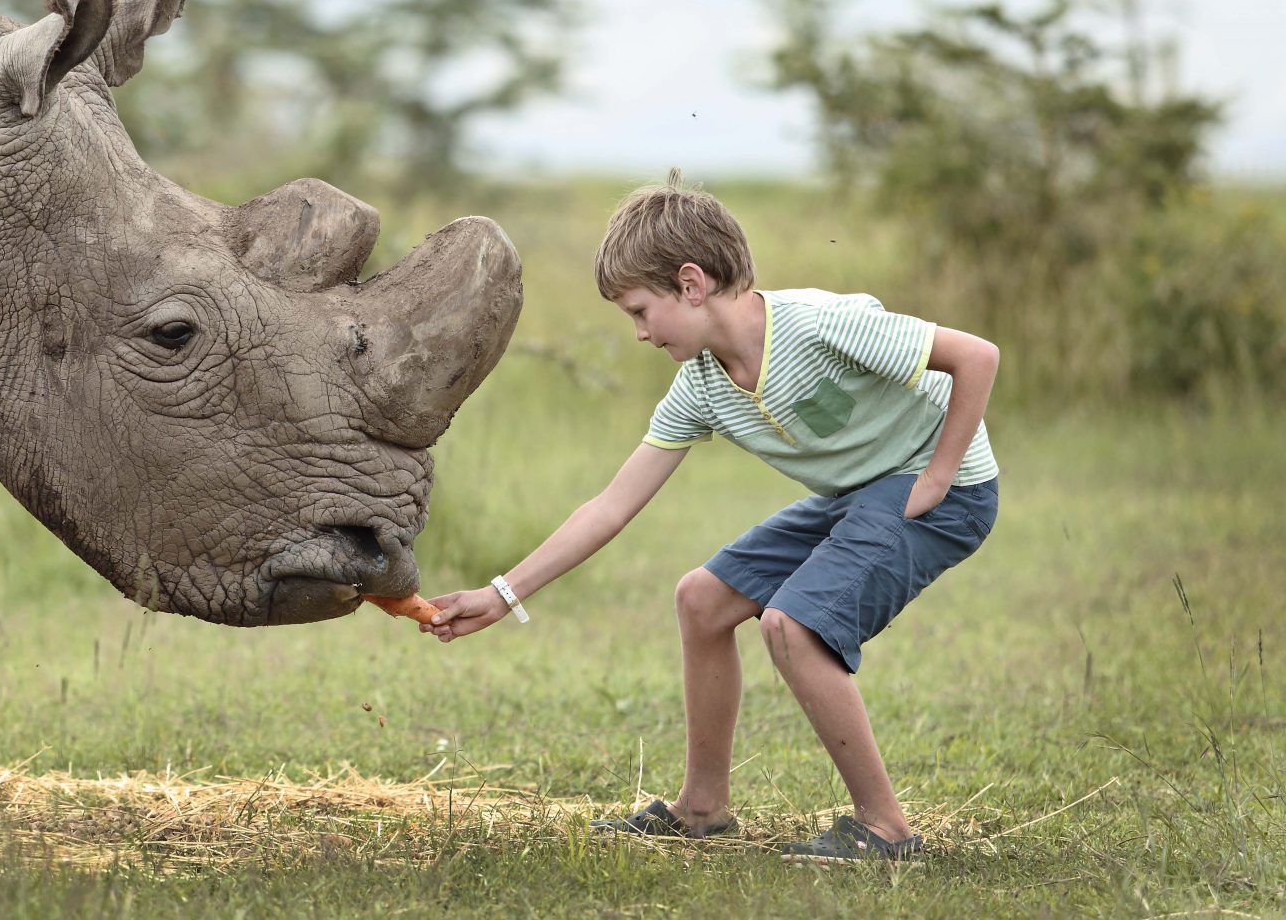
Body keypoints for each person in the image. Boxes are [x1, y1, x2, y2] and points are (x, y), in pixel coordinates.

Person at [424, 170, 1000, 864]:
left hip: (942, 488)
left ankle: (886, 828)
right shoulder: (700, 385)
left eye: (640, 310)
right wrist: (502, 592)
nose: (638, 332)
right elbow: (610, 506)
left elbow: (976, 356)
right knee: (701, 598)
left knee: (794, 624)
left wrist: (938, 476)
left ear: (691, 284)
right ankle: (702, 807)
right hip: (859, 493)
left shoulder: (819, 325)